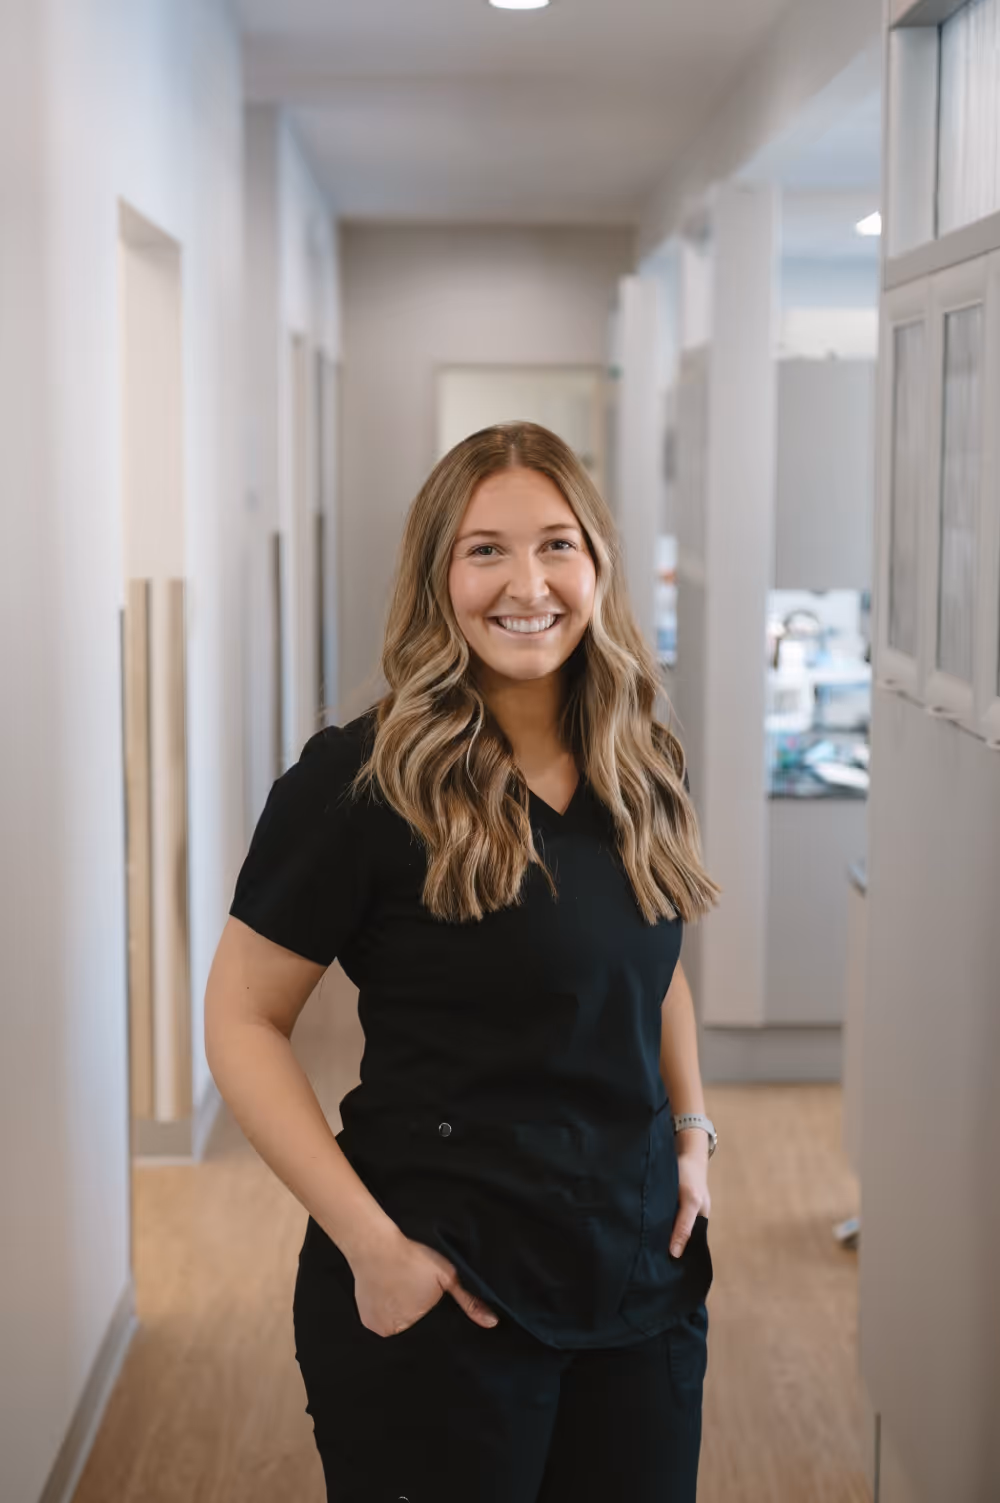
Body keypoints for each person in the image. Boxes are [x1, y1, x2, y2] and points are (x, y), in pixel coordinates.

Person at [204, 421, 722, 1503]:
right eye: (485, 549)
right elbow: (242, 1019)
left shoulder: (643, 760)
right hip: (443, 1280)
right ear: (437, 574)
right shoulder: (359, 784)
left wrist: (690, 1134)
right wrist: (371, 1248)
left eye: (556, 546)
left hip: (634, 1272)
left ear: (597, 567)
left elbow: (649, 965)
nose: (525, 583)